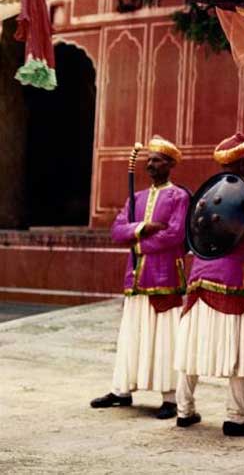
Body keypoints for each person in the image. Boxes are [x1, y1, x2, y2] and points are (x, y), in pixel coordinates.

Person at [174, 132, 244, 436]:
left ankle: (184, 410)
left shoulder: (205, 197)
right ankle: (235, 417)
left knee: (191, 348)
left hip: (200, 278)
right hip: (236, 279)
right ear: (242, 163)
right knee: (241, 350)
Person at [91, 136, 189, 420]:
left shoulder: (179, 196)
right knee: (131, 333)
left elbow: (175, 234)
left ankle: (170, 396)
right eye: (148, 159)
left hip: (164, 275)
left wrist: (139, 243)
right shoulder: (136, 198)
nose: (150, 164)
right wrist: (143, 227)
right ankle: (121, 390)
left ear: (170, 164)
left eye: (157, 160)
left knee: (164, 336)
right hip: (135, 276)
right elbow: (117, 230)